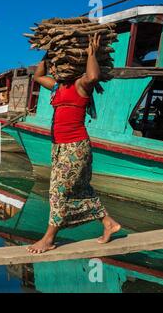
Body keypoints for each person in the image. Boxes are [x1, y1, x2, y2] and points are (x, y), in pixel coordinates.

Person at [27, 33, 121, 254]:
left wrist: (91, 53)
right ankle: (109, 223)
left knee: (58, 192)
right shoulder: (57, 87)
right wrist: (48, 52)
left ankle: (49, 239)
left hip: (75, 147)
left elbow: (94, 76)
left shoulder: (81, 85)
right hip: (60, 147)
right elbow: (38, 76)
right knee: (81, 189)